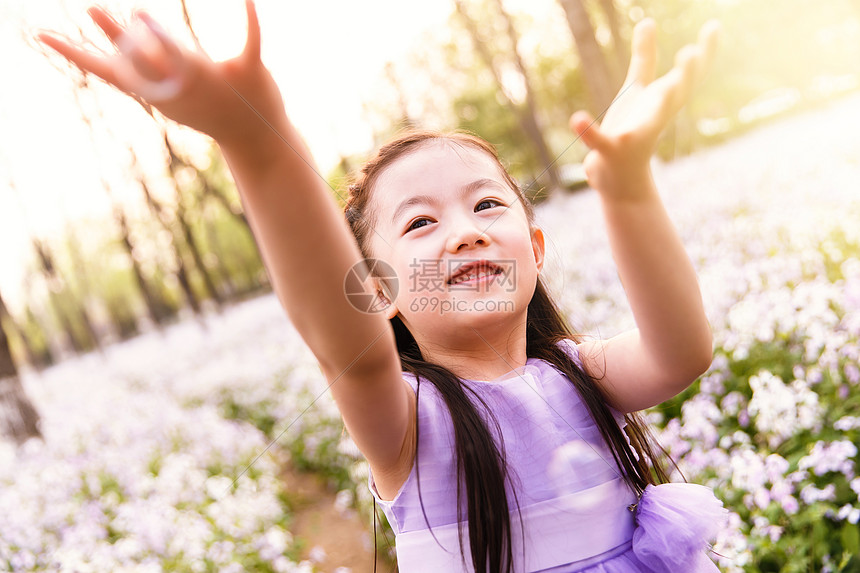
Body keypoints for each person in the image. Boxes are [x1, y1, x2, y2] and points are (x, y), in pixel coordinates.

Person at [38, 3, 727, 571]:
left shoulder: (580, 374)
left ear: (535, 248)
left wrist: (627, 188)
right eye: (422, 221)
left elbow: (682, 350)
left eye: (488, 205)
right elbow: (350, 345)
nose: (465, 232)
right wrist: (256, 141)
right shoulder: (405, 420)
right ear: (378, 289)